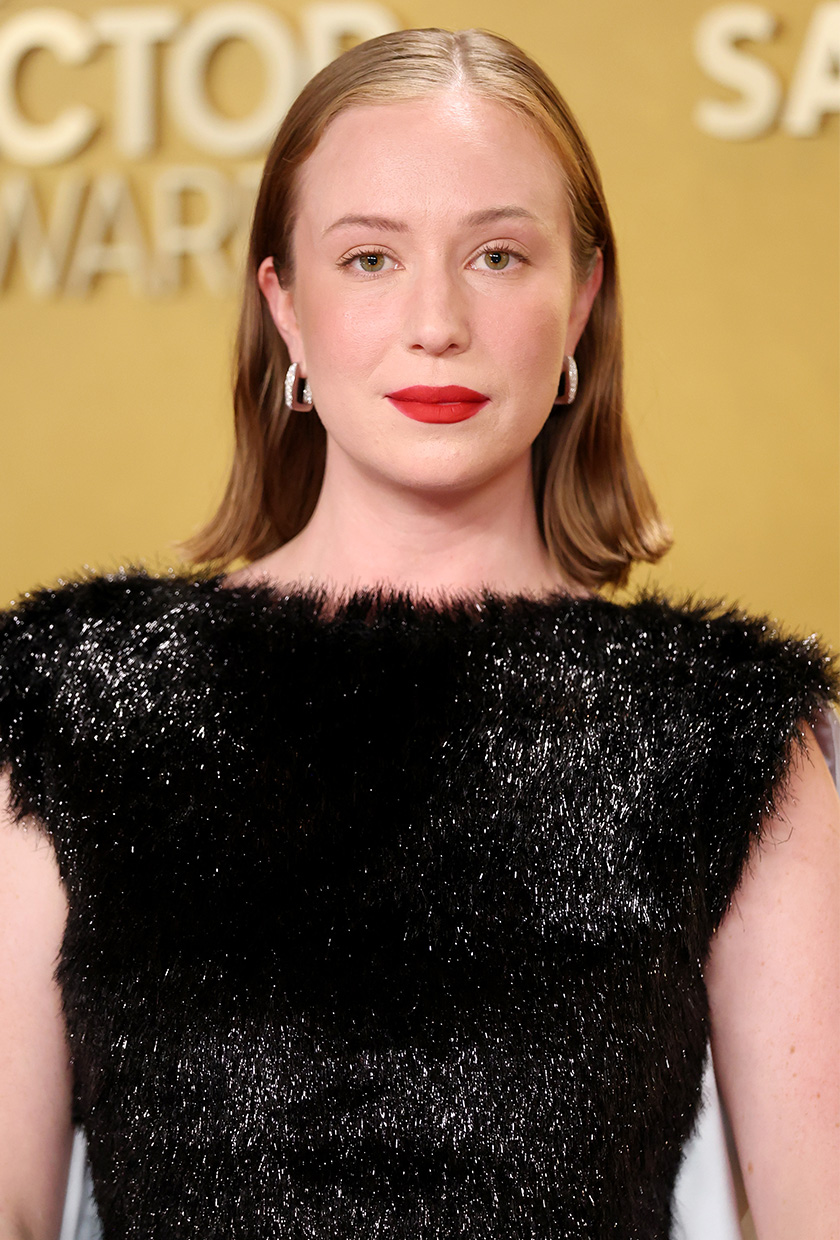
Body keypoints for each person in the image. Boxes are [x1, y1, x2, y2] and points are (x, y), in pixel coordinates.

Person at [0, 27, 838, 1240]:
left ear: (582, 299)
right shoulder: (75, 704)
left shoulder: (731, 738)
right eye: (371, 259)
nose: (435, 321)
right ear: (283, 303)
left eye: (498, 254)